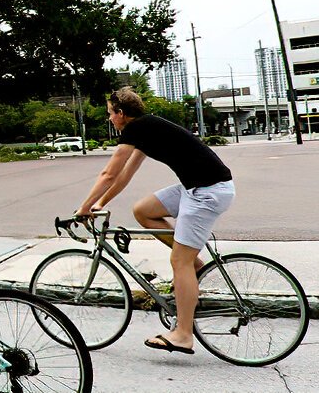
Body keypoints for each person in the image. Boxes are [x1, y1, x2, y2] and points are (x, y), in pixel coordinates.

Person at [76, 86, 235, 355]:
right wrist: (101, 203)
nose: (109, 118)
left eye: (110, 113)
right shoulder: (145, 128)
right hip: (198, 187)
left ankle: (183, 334)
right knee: (144, 210)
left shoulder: (136, 129)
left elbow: (108, 174)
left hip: (207, 192)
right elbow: (124, 175)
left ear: (122, 113)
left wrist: (83, 207)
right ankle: (194, 266)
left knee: (178, 261)